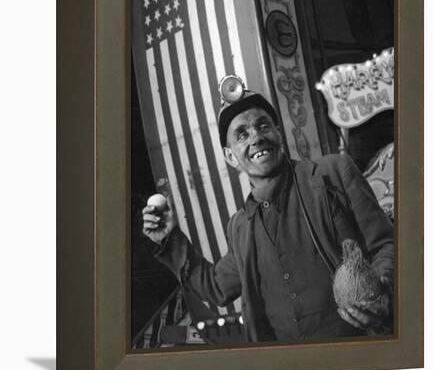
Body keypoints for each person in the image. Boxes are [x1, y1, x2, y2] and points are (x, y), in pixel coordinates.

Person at [142, 77, 394, 343]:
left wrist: (381, 290)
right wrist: (170, 239)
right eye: (242, 134)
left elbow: (386, 245)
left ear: (278, 133)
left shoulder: (334, 172)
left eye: (263, 126)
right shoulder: (239, 227)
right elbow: (217, 287)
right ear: (231, 157)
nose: (256, 137)